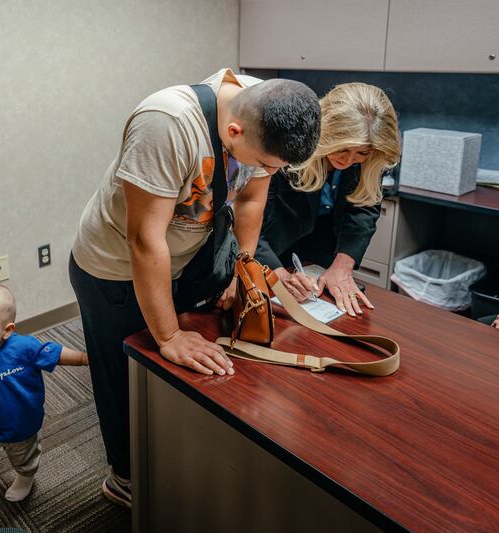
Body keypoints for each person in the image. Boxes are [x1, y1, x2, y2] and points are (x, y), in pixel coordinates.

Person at [69, 68, 321, 507]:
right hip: (113, 268)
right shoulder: (166, 124)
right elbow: (144, 240)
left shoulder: (264, 111)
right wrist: (168, 336)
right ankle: (124, 477)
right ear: (233, 130)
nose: (265, 172)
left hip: (182, 261)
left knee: (170, 378)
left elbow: (251, 198)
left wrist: (245, 265)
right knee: (123, 376)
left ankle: (165, 459)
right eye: (263, 164)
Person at [0, 284, 88, 524]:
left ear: (7, 330)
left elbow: (55, 353)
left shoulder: (25, 348)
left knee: (25, 460)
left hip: (21, 428)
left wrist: (85, 359)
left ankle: (25, 478)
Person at [256, 82, 401, 316]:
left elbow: (363, 211)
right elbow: (250, 222)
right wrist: (277, 273)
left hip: (319, 259)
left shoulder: (370, 158)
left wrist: (342, 267)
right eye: (342, 148)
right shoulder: (288, 145)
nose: (349, 160)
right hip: (271, 250)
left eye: (361, 153)